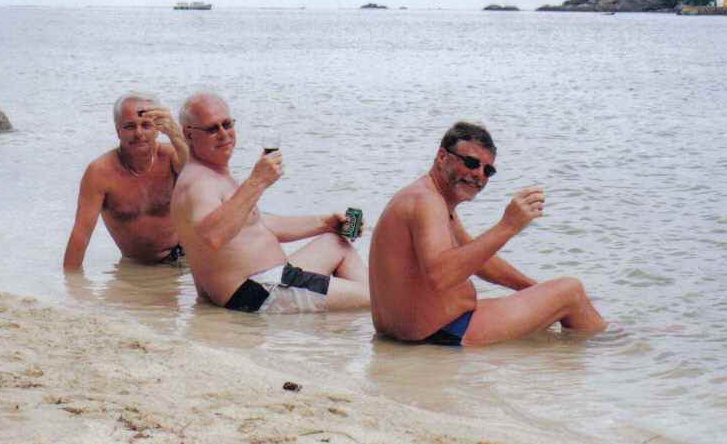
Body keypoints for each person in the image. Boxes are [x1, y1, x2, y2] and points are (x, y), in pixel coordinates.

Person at [369, 121, 606, 346]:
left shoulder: (430, 199)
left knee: (556, 301)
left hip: (417, 335)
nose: (479, 174)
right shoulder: (427, 201)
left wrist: (534, 289)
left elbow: (480, 262)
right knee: (571, 292)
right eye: (471, 163)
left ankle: (583, 356)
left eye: (488, 170)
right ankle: (609, 354)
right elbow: (440, 276)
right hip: (441, 335)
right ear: (442, 157)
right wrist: (508, 225)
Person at [170, 92, 370, 313]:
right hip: (260, 292)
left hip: (274, 278)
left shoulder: (213, 173)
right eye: (212, 129)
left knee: (336, 243)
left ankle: (350, 323)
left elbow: (256, 224)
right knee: (377, 298)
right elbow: (213, 236)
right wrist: (257, 181)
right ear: (189, 135)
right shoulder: (198, 183)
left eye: (227, 124)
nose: (223, 134)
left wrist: (325, 223)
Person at [62, 92, 189, 270]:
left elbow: (200, 179)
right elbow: (81, 234)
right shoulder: (100, 173)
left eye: (146, 125)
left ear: (157, 129)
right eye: (130, 126)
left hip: (186, 257)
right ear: (118, 131)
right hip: (137, 268)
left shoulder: (171, 157)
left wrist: (176, 135)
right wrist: (70, 283)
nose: (138, 133)